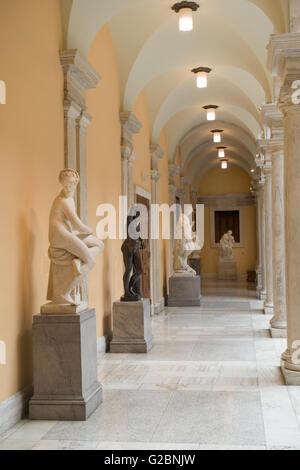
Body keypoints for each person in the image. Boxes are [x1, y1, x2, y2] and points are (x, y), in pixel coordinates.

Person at [47, 168, 104, 305]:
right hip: (60, 237)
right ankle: (64, 293)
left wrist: (84, 233)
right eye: (65, 185)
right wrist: (89, 230)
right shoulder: (64, 201)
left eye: (71, 185)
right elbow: (78, 225)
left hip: (67, 233)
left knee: (99, 244)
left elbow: (74, 226)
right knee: (90, 261)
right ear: (61, 184)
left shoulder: (69, 199)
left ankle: (78, 260)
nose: (68, 188)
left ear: (76, 184)